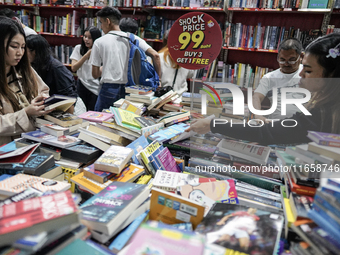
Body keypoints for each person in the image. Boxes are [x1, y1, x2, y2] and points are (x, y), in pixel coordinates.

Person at [188, 33, 340, 145]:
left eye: (307, 70)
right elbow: (257, 99)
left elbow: (268, 133)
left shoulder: (323, 114)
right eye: (282, 59)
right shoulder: (327, 107)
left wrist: (212, 124)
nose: (301, 74)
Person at [90, 7, 161, 112]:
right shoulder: (132, 38)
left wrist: (107, 67)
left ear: (108, 21)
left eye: (101, 22)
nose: (101, 27)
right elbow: (156, 56)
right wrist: (158, 80)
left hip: (108, 89)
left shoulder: (99, 42)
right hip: (132, 90)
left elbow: (95, 74)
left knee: (102, 121)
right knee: (126, 122)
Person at [0, 17, 51, 146]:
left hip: (31, 141)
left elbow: (43, 90)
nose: (20, 53)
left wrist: (42, 100)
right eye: (14, 46)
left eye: (23, 47)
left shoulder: (24, 70)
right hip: (6, 148)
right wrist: (26, 113)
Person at [252, 38, 304, 123]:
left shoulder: (307, 73)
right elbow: (256, 97)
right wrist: (258, 115)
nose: (286, 64)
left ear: (301, 57)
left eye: (291, 60)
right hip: (276, 124)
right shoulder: (269, 77)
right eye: (282, 60)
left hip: (302, 125)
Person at [26, 35, 80, 114]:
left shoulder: (56, 68)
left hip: (63, 110)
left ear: (34, 51)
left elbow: (69, 97)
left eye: (24, 49)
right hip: (50, 108)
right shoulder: (34, 65)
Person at [70, 26, 102, 111]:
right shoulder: (78, 48)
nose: (86, 40)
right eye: (85, 36)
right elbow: (73, 68)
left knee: (92, 112)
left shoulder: (100, 51)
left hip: (96, 87)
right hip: (82, 84)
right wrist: (86, 55)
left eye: (90, 38)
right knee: (81, 111)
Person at [158, 29, 196, 96]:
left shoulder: (158, 56)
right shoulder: (188, 57)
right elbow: (191, 74)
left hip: (162, 97)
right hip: (181, 98)